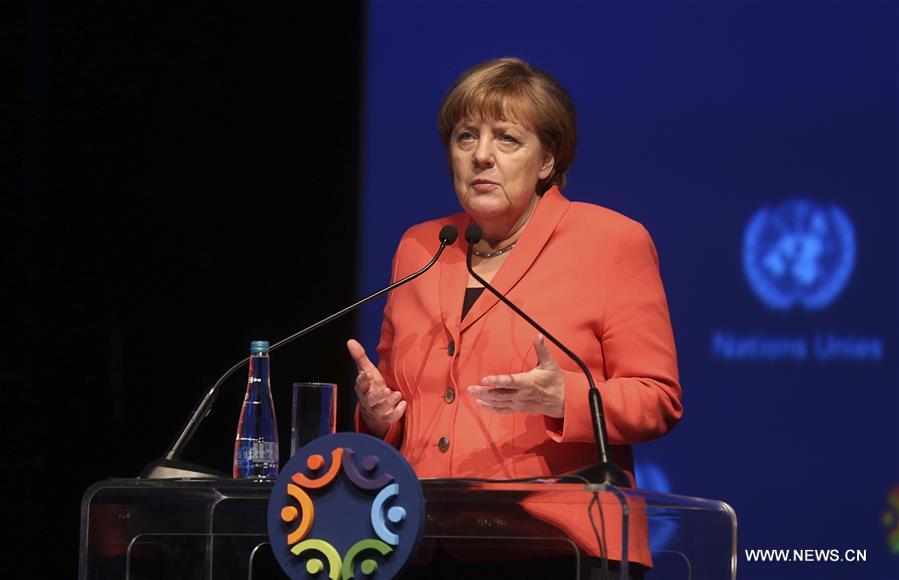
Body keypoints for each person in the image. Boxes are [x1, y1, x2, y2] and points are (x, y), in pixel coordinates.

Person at [346, 57, 682, 578]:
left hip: (556, 547)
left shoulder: (611, 242)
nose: (481, 156)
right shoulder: (421, 247)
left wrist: (562, 397)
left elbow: (658, 400)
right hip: (419, 541)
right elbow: (398, 402)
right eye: (465, 137)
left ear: (546, 160)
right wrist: (378, 417)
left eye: (506, 139)